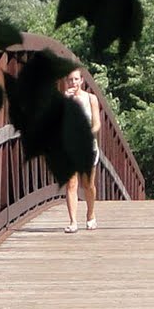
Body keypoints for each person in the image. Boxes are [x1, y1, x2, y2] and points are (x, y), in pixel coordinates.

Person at [61, 68, 104, 232]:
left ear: (81, 81)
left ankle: (90, 214)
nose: (73, 83)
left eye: (76, 79)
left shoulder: (91, 98)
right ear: (67, 82)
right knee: (71, 184)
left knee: (88, 185)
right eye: (70, 80)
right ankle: (72, 222)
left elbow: (97, 123)